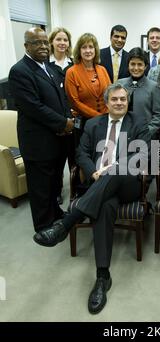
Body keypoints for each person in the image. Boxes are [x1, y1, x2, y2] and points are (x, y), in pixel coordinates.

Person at [33, 83, 150, 314]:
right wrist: (93, 170)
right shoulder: (94, 123)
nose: (119, 103)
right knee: (105, 205)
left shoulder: (138, 122)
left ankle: (65, 224)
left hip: (128, 182)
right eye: (114, 99)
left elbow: (143, 153)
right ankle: (102, 277)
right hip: (99, 183)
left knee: (115, 172)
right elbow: (81, 153)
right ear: (106, 103)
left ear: (128, 102)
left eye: (123, 100)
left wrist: (113, 168)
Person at [8, 27, 74, 232]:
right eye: (37, 42)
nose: (44, 46)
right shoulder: (20, 71)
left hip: (56, 138)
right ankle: (43, 224)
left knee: (53, 182)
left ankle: (55, 213)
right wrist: (63, 123)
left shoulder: (48, 67)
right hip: (38, 141)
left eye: (45, 42)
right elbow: (33, 107)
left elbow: (59, 98)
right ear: (26, 45)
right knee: (40, 186)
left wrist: (67, 117)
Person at [65, 32, 111, 142]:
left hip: (105, 120)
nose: (88, 50)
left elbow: (111, 93)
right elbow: (74, 102)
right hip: (84, 123)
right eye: (84, 47)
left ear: (95, 50)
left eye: (91, 47)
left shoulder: (102, 70)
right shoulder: (71, 72)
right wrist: (97, 116)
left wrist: (109, 114)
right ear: (79, 51)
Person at [48, 27, 74, 205]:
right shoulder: (45, 65)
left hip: (74, 116)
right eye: (59, 39)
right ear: (52, 42)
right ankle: (56, 191)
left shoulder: (73, 64)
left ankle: (76, 191)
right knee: (56, 160)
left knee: (74, 156)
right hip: (55, 119)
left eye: (65, 40)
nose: (62, 43)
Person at [118, 47, 160, 138]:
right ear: (128, 65)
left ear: (145, 66)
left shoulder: (153, 87)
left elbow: (158, 115)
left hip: (146, 136)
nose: (136, 68)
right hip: (122, 134)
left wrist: (148, 132)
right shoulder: (120, 84)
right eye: (133, 64)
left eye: (140, 64)